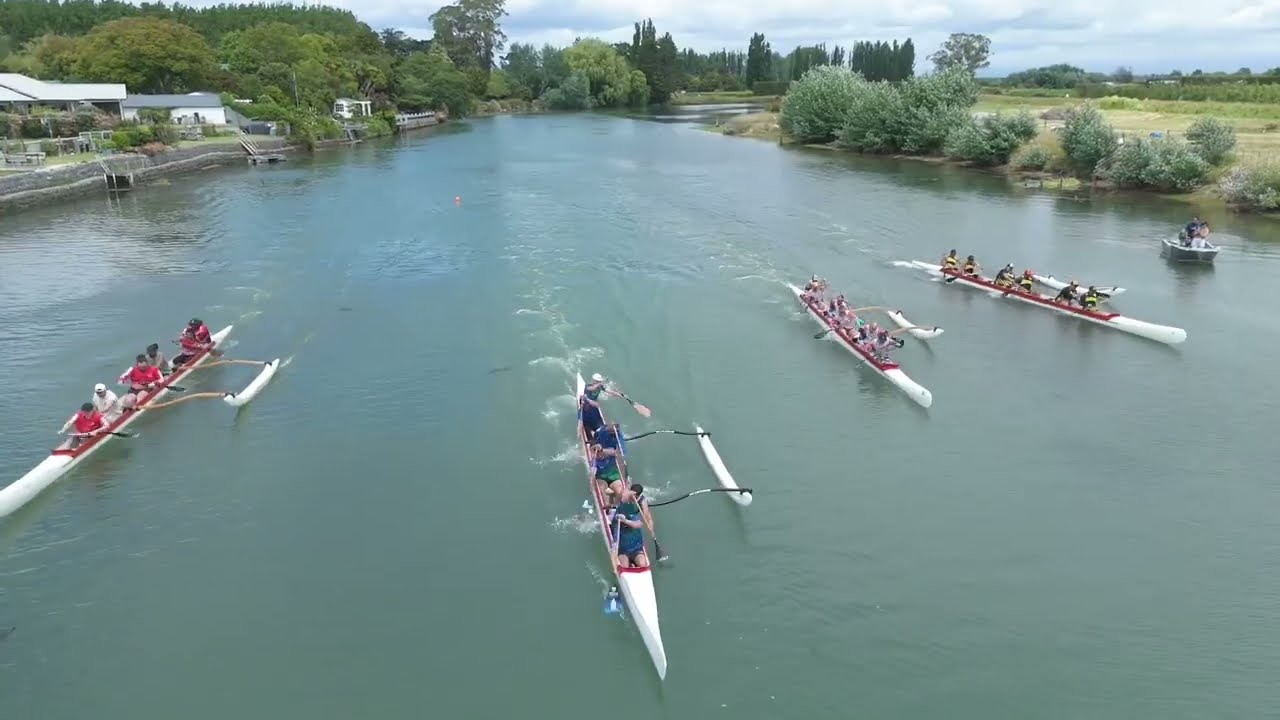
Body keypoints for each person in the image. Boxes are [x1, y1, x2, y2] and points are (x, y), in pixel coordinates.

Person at [611, 484, 651, 569]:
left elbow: (639, 524)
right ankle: (627, 564)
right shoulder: (624, 495)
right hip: (620, 527)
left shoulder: (642, 501)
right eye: (633, 495)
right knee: (624, 565)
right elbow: (617, 500)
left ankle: (634, 563)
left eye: (636, 496)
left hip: (635, 540)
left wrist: (626, 521)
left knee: (642, 564)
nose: (634, 498)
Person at [591, 422, 627, 507]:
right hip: (600, 475)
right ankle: (607, 505)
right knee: (603, 492)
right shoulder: (596, 459)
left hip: (612, 473)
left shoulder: (618, 439)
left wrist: (604, 450)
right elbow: (592, 448)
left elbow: (619, 453)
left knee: (620, 491)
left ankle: (615, 507)